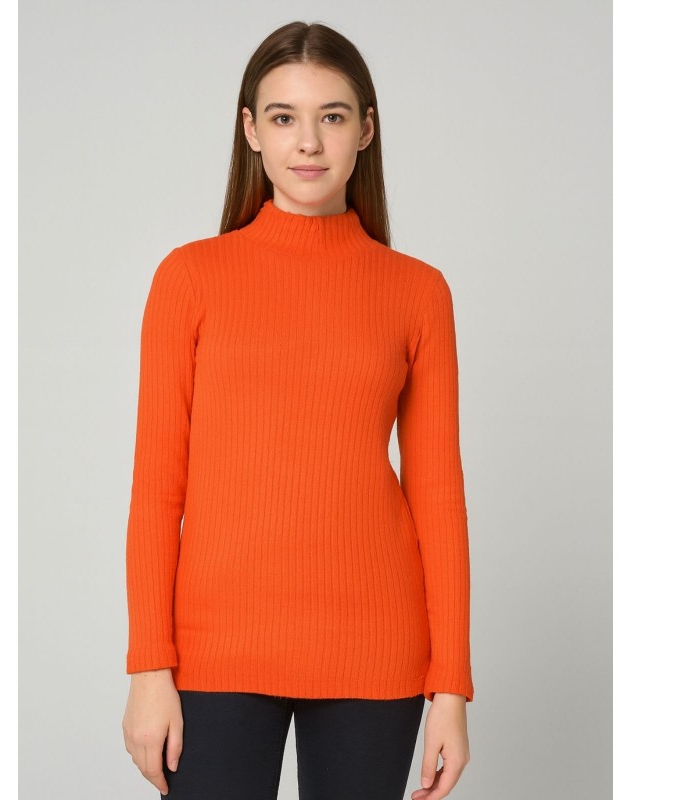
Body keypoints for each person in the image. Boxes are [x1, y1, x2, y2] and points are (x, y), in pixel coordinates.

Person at [122, 20, 474, 800]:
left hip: (375, 648)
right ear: (251, 130)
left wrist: (451, 686)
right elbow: (156, 492)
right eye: (284, 117)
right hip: (215, 650)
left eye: (332, 116)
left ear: (366, 130)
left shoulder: (418, 292)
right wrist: (149, 667)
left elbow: (438, 498)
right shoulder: (190, 279)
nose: (308, 141)